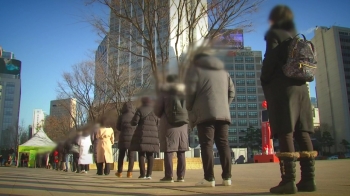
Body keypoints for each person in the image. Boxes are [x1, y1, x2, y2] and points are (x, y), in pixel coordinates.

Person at [260, 5, 317, 194]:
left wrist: (264, 79)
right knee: (303, 132)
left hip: (284, 90)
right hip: (302, 89)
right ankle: (308, 180)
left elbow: (270, 61)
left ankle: (288, 181)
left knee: (285, 131)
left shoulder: (274, 34)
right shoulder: (296, 37)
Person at [185, 48, 235, 187]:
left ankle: (209, 178)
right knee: (223, 145)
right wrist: (225, 105)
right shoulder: (224, 72)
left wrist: (190, 107)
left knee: (207, 145)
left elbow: (190, 94)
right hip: (223, 114)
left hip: (205, 115)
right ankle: (227, 178)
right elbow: (232, 92)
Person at [154, 75, 189, 183]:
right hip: (183, 125)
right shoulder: (185, 92)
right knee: (181, 151)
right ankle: (181, 176)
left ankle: (169, 176)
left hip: (169, 124)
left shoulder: (164, 92)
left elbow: (157, 110)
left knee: (168, 150)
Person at [130, 97, 159, 179]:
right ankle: (149, 174)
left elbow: (134, 122)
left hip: (142, 135)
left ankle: (142, 174)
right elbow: (158, 123)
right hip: (153, 135)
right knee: (150, 155)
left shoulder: (140, 109)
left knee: (141, 154)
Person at [115, 102, 136, 178]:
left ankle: (119, 172)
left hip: (123, 137)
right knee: (131, 156)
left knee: (121, 155)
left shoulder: (121, 116)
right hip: (132, 138)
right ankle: (129, 172)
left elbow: (118, 127)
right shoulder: (134, 116)